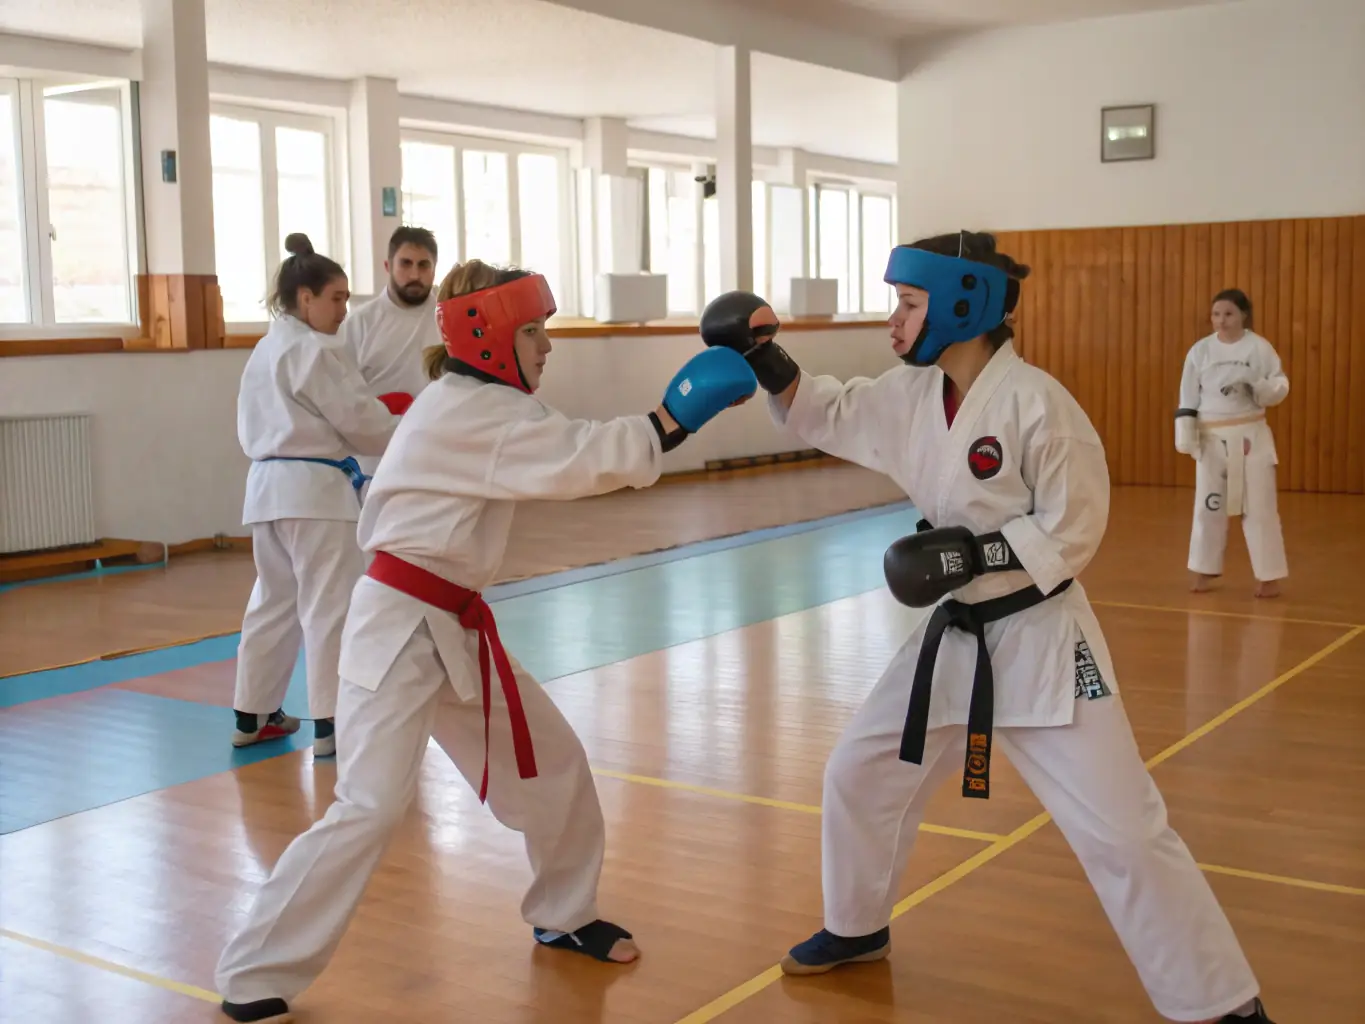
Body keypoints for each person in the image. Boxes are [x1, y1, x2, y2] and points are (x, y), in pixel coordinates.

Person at [698, 232, 1275, 1024]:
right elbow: (827, 412)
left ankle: (1218, 1001)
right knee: (859, 773)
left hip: (1039, 635)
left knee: (1123, 831)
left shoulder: (1038, 404)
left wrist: (972, 551)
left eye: (906, 305)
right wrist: (768, 360)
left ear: (962, 305)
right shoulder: (910, 395)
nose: (891, 324)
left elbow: (1076, 527)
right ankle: (856, 927)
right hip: (955, 634)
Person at [213, 259, 757, 1023]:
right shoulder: (471, 410)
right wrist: (671, 418)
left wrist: (663, 424)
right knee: (368, 806)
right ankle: (251, 973)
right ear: (493, 333)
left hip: (451, 625)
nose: (547, 345)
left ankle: (563, 912)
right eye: (534, 330)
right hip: (399, 627)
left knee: (554, 765)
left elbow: (564, 447)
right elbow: (580, 459)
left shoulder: (478, 403)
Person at [232, 233, 414, 760]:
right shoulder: (314, 352)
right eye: (336, 298)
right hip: (313, 494)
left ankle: (254, 712)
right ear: (305, 298)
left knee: (273, 601)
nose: (344, 309)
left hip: (267, 492)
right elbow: (364, 425)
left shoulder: (266, 350)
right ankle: (333, 725)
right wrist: (414, 423)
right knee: (328, 607)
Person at [1175, 289, 1289, 598]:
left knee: (1260, 507)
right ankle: (1202, 570)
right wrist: (1187, 436)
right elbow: (1188, 395)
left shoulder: (1259, 348)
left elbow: (1278, 388)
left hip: (1251, 434)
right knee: (1208, 505)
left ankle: (1269, 577)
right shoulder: (1200, 352)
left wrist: (1258, 385)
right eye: (1216, 314)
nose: (1221, 321)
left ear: (1243, 315)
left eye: (1228, 314)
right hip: (1211, 438)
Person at [340, 226, 442, 482]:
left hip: (437, 455)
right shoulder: (360, 323)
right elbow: (344, 397)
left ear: (434, 268)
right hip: (375, 465)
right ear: (388, 265)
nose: (415, 274)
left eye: (424, 265)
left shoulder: (450, 317)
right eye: (405, 264)